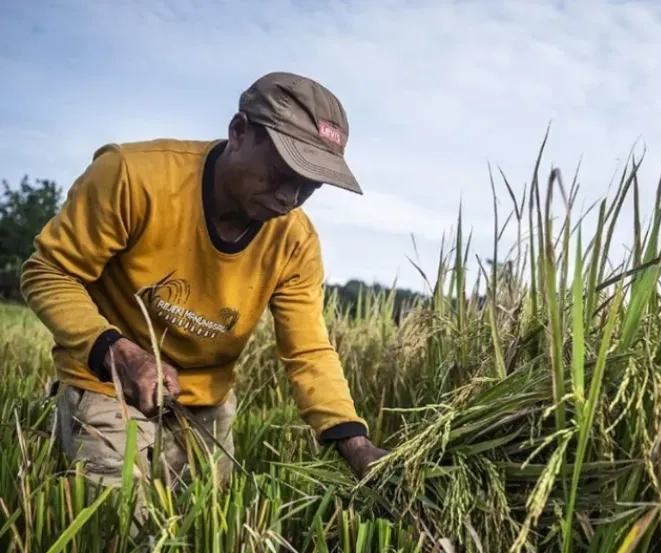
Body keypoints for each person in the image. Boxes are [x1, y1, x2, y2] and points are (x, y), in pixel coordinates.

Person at [20, 71, 388, 489]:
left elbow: (308, 349)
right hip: (109, 385)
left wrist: (354, 443)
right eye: (284, 171)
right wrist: (116, 351)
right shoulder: (133, 177)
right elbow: (49, 271)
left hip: (206, 405)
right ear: (239, 131)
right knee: (120, 532)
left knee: (205, 541)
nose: (290, 197)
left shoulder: (295, 242)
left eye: (310, 185)